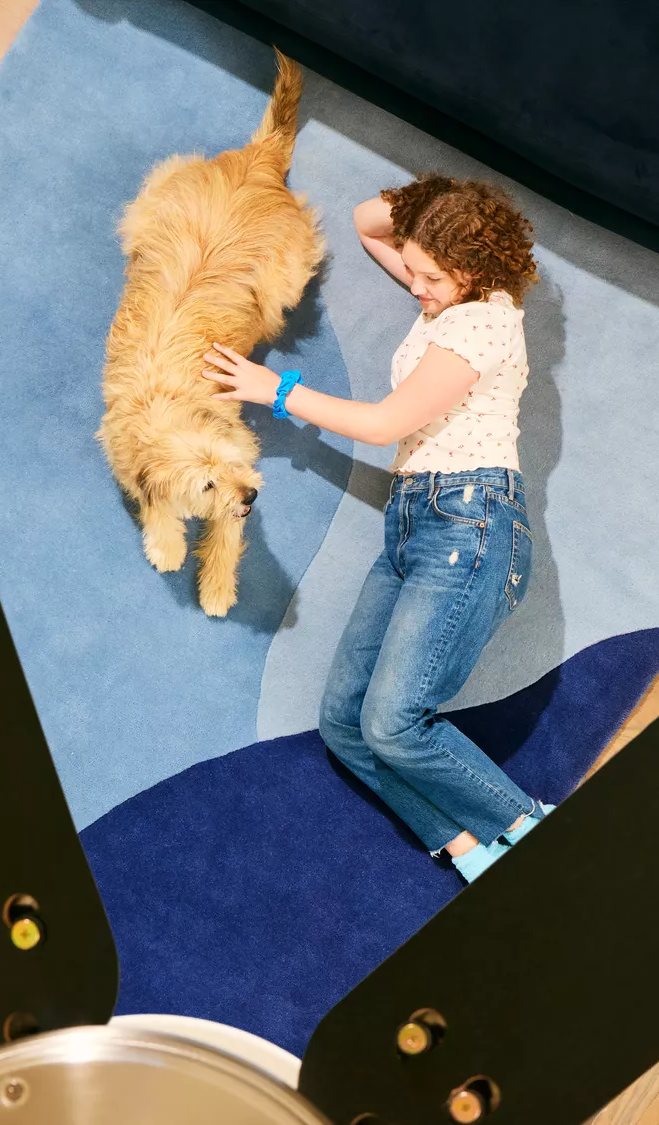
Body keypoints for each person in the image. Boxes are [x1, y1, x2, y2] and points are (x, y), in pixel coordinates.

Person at [200, 173, 551, 882]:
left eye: (427, 276)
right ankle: (470, 850)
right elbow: (367, 222)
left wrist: (279, 391)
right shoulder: (452, 297)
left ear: (474, 270)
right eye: (413, 269)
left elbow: (388, 422)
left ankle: (533, 830)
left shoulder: (486, 320)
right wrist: (438, 206)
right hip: (414, 524)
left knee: (392, 722)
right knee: (344, 723)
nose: (414, 286)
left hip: (470, 524)